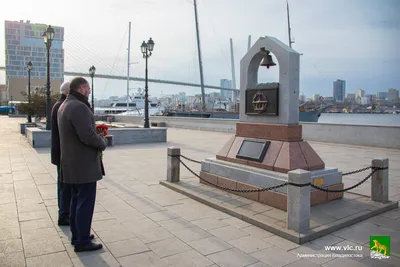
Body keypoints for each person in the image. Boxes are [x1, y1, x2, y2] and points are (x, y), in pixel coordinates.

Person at [58, 77, 107, 252]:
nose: (90, 91)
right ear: (81, 88)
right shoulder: (79, 107)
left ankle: (78, 234)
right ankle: (82, 240)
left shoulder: (64, 105)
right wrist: (102, 141)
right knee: (85, 202)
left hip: (71, 164)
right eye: (88, 88)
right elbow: (87, 136)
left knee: (76, 201)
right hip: (83, 166)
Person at [50, 81, 72, 226]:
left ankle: (64, 213)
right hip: (63, 154)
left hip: (59, 153)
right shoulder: (62, 106)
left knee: (63, 184)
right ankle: (64, 215)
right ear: (68, 91)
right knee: (64, 186)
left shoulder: (58, 105)